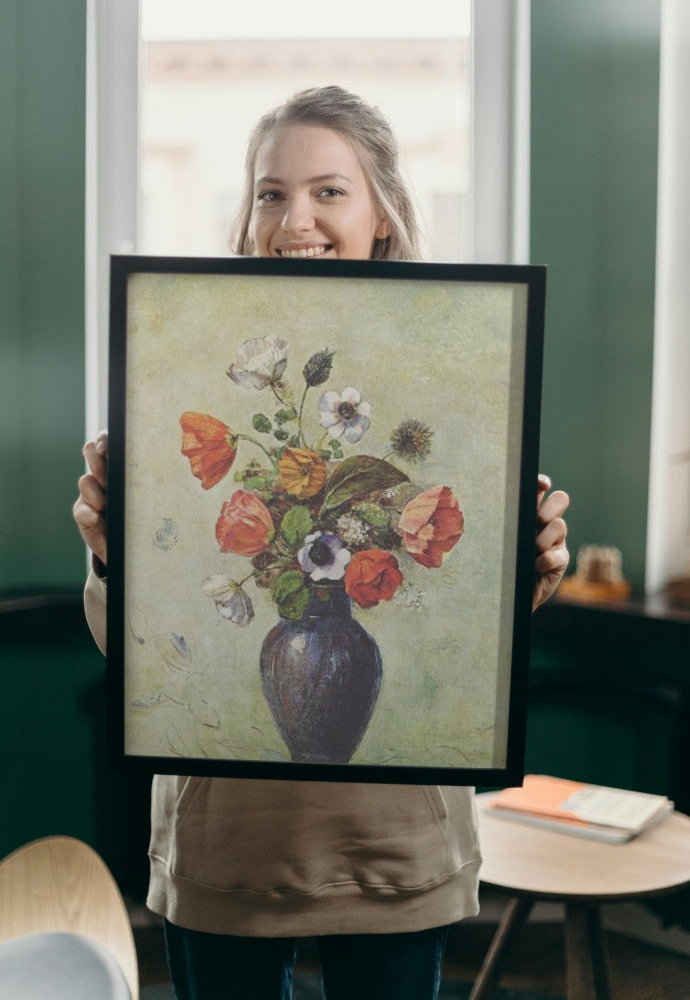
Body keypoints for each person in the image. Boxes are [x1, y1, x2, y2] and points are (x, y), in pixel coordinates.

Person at [74, 86, 570, 1000]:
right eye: (270, 192)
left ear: (382, 212)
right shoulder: (178, 358)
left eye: (327, 191)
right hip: (227, 843)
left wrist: (527, 569)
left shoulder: (461, 364)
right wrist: (113, 556)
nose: (293, 218)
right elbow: (140, 655)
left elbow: (473, 638)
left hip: (393, 843)